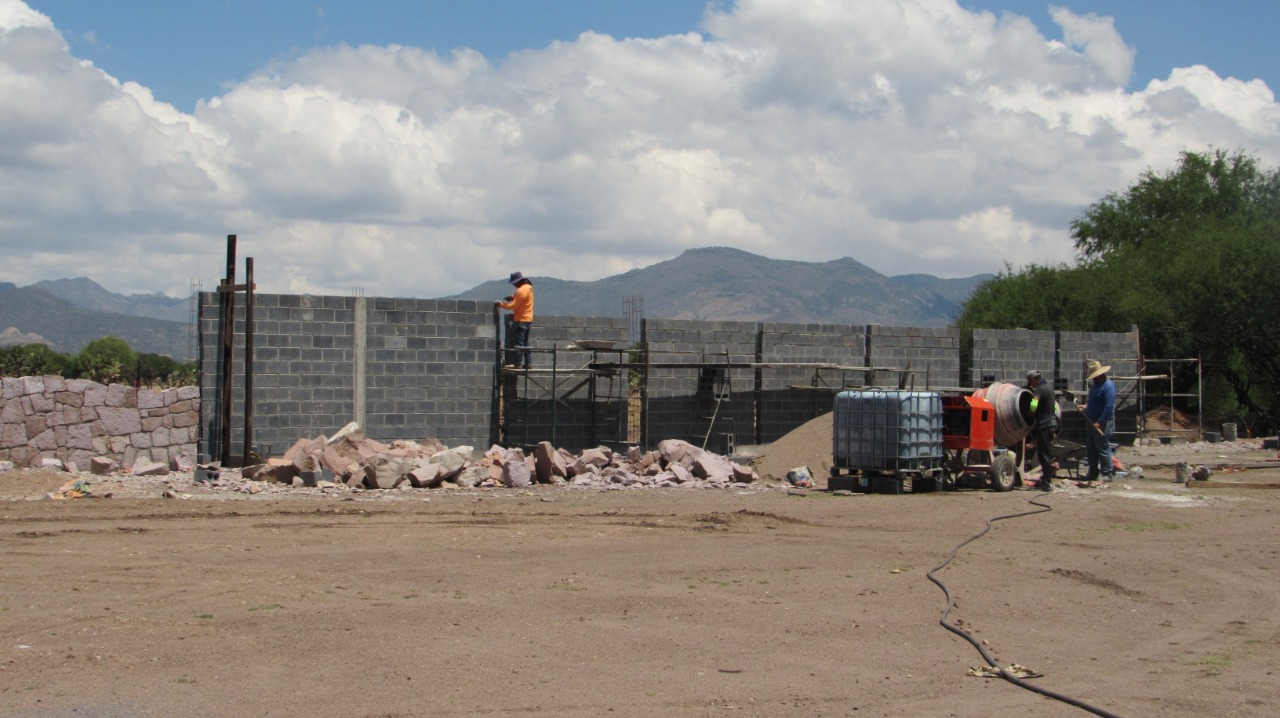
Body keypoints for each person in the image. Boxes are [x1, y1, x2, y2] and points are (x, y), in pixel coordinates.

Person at [1077, 360, 1116, 486]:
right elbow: (1094, 402)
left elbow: (1108, 407)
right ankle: (1093, 472)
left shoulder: (1108, 386)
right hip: (1091, 421)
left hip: (1102, 423)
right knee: (1091, 448)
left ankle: (1107, 473)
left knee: (1103, 448)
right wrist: (1086, 407)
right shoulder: (1095, 386)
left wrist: (1100, 422)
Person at [1024, 370, 1059, 490]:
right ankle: (1046, 478)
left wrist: (1031, 412)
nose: (1030, 384)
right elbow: (1054, 406)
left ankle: (1047, 482)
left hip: (1044, 425)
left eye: (1030, 381)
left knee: (1043, 454)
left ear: (1033, 379)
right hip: (1051, 424)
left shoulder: (1039, 389)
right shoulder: (1049, 388)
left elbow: (1034, 404)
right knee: (1046, 453)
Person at [496, 271, 534, 370]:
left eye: (514, 283)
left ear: (517, 282)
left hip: (521, 318)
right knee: (525, 342)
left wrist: (501, 304)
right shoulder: (528, 287)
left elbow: (514, 305)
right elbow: (523, 298)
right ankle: (528, 363)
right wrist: (513, 297)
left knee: (519, 343)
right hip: (528, 318)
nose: (513, 285)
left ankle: (517, 364)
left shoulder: (521, 290)